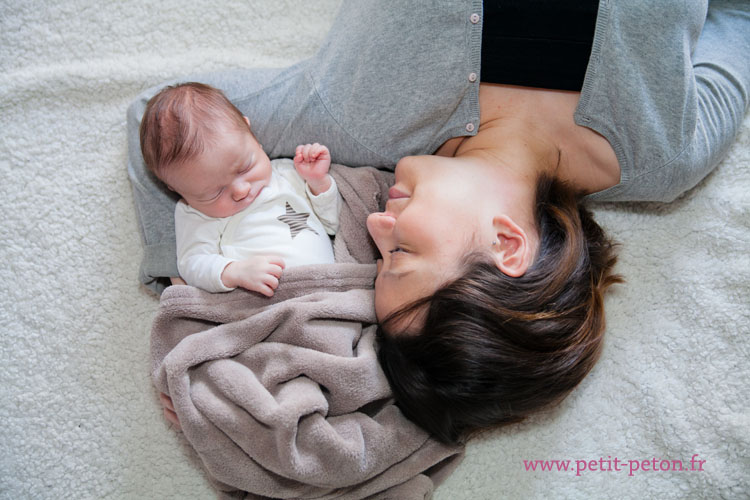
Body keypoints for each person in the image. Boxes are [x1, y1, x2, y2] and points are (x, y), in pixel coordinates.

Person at [127, 1, 750, 443]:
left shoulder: (349, 120)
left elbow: (151, 124)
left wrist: (195, 289)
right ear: (509, 245)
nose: (374, 226)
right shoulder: (668, 151)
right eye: (401, 256)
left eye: (380, 257)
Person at [139, 82, 340, 296]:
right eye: (215, 193)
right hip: (267, 306)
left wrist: (318, 182)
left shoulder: (287, 172)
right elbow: (192, 263)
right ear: (178, 190)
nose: (241, 190)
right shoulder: (196, 213)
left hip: (330, 290)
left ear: (250, 133)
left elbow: (332, 224)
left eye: (245, 167)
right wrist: (234, 271)